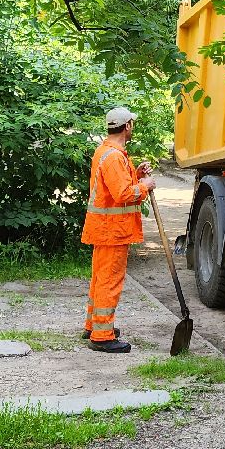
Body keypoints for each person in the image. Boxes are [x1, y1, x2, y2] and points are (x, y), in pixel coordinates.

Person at [80, 106, 156, 353]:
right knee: (109, 280)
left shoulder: (107, 152)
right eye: (132, 124)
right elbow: (123, 194)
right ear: (127, 126)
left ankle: (95, 324)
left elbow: (114, 188)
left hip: (106, 229)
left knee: (100, 278)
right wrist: (144, 186)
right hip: (112, 231)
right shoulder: (113, 156)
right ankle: (102, 335)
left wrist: (136, 174)